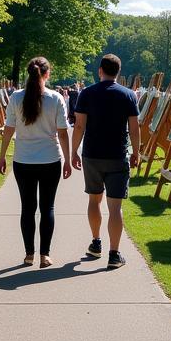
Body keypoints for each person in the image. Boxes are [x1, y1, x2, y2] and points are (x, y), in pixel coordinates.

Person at [0, 56, 72, 267]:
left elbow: (8, 129)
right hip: (50, 159)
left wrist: (2, 155)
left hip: (23, 160)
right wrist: (67, 159)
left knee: (27, 208)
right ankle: (44, 255)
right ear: (47, 74)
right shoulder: (55, 98)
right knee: (47, 207)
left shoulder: (16, 98)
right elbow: (63, 133)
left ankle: (29, 254)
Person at [71, 54, 139, 269]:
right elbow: (134, 127)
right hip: (117, 156)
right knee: (115, 207)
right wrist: (136, 151)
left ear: (100, 70)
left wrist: (73, 151)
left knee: (94, 201)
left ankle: (96, 242)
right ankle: (114, 254)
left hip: (92, 154)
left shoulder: (87, 94)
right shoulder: (128, 95)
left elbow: (80, 126)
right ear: (118, 71)